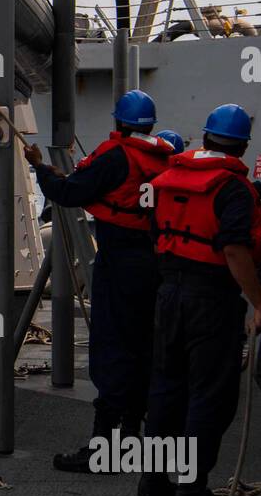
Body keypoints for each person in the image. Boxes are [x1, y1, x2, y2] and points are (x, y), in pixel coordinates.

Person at [139, 105, 261, 496]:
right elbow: (236, 249)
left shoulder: (166, 180)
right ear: (240, 146)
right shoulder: (232, 189)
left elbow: (157, 234)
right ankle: (190, 491)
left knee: (166, 389)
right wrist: (259, 303)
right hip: (212, 300)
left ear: (205, 139)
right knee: (209, 394)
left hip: (169, 295)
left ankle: (152, 482)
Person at [24, 89, 174, 472]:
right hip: (155, 264)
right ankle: (132, 440)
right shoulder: (165, 159)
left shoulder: (115, 157)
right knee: (143, 351)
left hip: (120, 264)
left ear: (119, 122)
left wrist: (40, 166)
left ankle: (104, 450)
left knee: (111, 351)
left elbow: (67, 192)